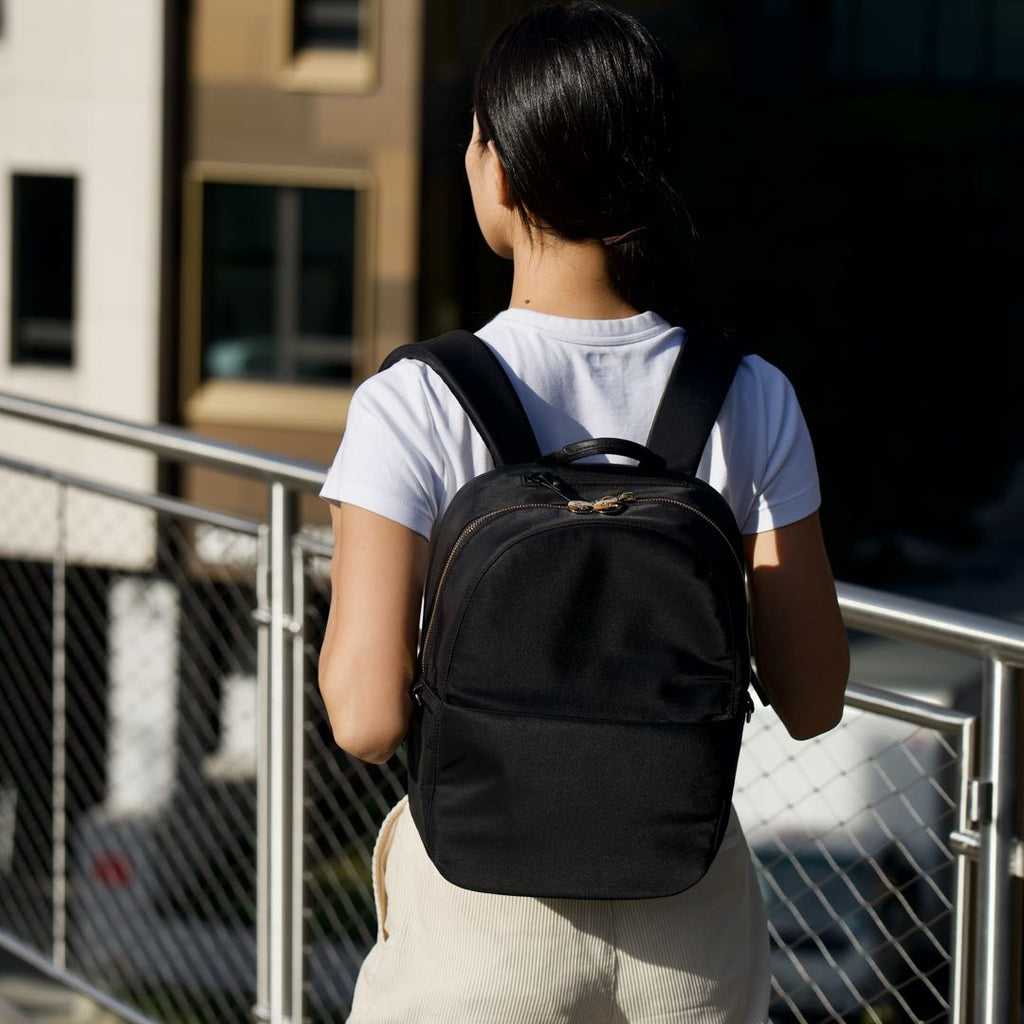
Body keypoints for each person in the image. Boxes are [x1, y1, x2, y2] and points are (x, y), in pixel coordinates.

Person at [318, 3, 849, 1021]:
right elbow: (813, 695)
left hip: (483, 914)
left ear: (500, 173)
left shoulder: (413, 401)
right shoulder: (747, 394)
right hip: (687, 905)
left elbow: (364, 717)